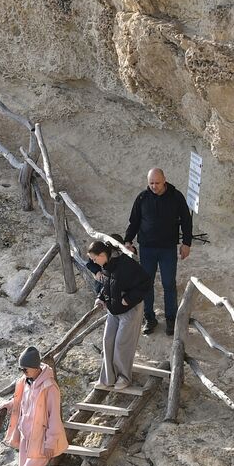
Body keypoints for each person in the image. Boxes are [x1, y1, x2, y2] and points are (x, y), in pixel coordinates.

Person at [0, 345, 68, 466]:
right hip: (26, 437)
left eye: (25, 368)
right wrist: (9, 404)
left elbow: (54, 417)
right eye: (21, 369)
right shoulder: (24, 382)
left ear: (35, 367)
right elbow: (21, 401)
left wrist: (51, 442)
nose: (23, 371)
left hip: (42, 440)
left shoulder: (50, 387)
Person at [123, 167, 193, 336]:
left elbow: (186, 220)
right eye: (151, 183)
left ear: (165, 180)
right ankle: (149, 318)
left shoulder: (176, 197)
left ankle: (171, 318)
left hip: (168, 248)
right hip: (147, 248)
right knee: (146, 284)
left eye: (157, 183)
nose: (154, 186)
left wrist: (186, 243)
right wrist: (127, 241)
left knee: (169, 283)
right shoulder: (142, 198)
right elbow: (134, 222)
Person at [85, 240, 153, 392]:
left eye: (95, 259)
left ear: (103, 255)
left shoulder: (126, 264)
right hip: (113, 309)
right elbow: (109, 283)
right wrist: (101, 297)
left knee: (122, 344)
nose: (94, 262)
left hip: (130, 310)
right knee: (107, 341)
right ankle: (108, 378)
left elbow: (146, 283)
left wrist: (128, 299)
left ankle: (123, 377)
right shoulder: (107, 265)